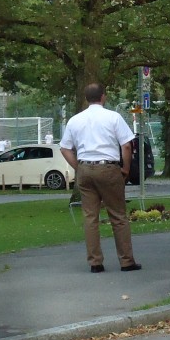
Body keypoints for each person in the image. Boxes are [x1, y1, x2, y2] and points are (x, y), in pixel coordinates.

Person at [59, 83, 141, 273]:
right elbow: (127, 146)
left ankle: (95, 262)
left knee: (90, 217)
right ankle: (126, 261)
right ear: (103, 97)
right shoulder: (113, 117)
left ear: (86, 98)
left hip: (85, 168)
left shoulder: (75, 120)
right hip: (108, 168)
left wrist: (79, 167)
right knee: (118, 215)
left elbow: (65, 148)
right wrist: (126, 169)